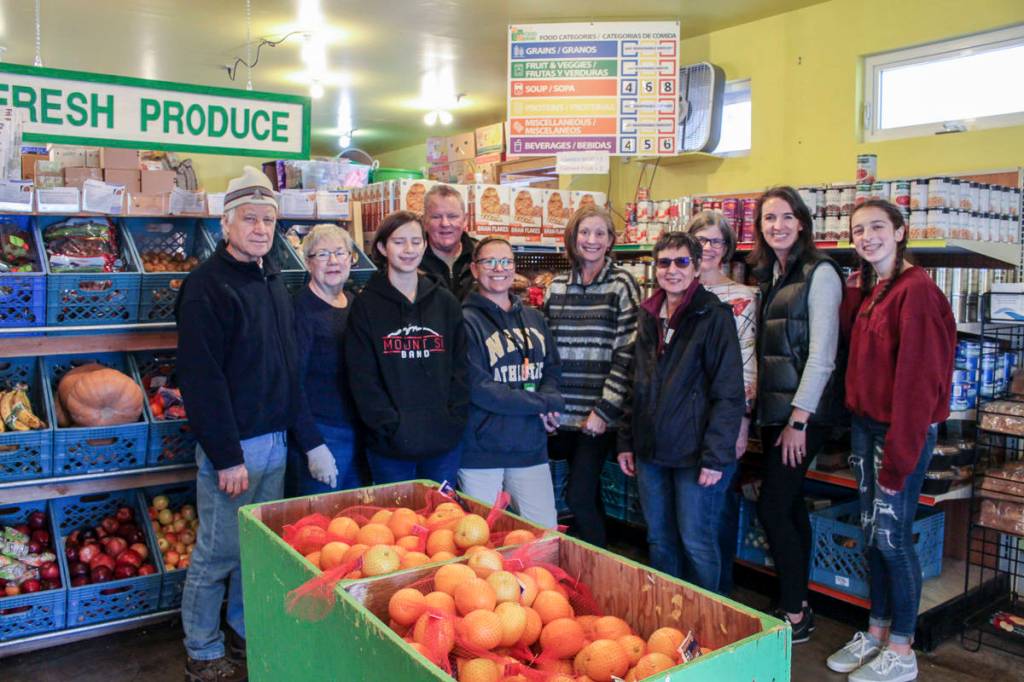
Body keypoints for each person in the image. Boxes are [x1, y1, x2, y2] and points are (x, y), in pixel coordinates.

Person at [175, 166, 300, 681]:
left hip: (276, 440)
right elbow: (201, 381)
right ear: (227, 224)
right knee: (219, 551)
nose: (260, 229)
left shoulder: (271, 279)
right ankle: (202, 649)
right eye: (250, 219)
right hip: (238, 449)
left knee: (257, 548)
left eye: (268, 220)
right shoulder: (206, 287)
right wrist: (226, 454)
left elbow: (284, 365)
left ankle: (244, 633)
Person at [827, 200, 955, 682]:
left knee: (892, 538)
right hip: (867, 427)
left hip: (899, 430)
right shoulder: (875, 288)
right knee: (872, 535)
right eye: (858, 230)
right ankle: (876, 632)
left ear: (901, 232)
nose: (867, 236)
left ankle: (903, 648)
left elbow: (919, 380)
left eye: (877, 227)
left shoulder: (916, 291)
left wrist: (900, 456)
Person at [616, 232, 745, 592]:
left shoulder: (714, 316)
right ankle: (669, 619)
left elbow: (729, 393)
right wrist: (626, 440)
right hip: (650, 453)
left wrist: (715, 457)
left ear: (697, 266)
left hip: (694, 456)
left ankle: (712, 625)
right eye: (664, 262)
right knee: (659, 540)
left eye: (681, 261)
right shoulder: (649, 315)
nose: (672, 270)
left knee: (697, 542)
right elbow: (635, 383)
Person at [749, 186, 844, 643]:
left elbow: (822, 354)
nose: (778, 226)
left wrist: (799, 420)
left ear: (802, 222)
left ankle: (794, 611)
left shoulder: (819, 272)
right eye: (769, 219)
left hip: (802, 415)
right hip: (775, 413)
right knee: (788, 506)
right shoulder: (773, 274)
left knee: (772, 505)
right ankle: (798, 601)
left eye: (786, 217)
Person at [345, 210, 469, 485]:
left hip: (444, 443)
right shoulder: (366, 307)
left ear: (425, 245)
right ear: (381, 248)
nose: (409, 249)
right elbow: (362, 379)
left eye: (415, 241)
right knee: (393, 524)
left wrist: (453, 420)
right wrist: (390, 427)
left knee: (444, 522)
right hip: (389, 447)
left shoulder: (446, 303)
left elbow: (461, 368)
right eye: (399, 242)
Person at [544, 205, 641, 547]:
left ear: (611, 240)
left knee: (579, 495)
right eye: (585, 232)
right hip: (560, 415)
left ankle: (597, 568)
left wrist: (604, 411)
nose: (592, 240)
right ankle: (591, 562)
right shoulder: (556, 287)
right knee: (582, 499)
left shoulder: (622, 284)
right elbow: (547, 353)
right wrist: (546, 405)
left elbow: (628, 353)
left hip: (596, 418)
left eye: (601, 233)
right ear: (573, 237)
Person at [458, 237, 564, 526]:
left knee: (544, 532)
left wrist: (548, 400)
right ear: (474, 269)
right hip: (481, 451)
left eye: (505, 261)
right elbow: (482, 390)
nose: (498, 268)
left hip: (530, 447)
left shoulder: (534, 319)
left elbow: (552, 371)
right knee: (482, 539)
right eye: (489, 261)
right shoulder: (464, 321)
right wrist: (544, 403)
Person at [687, 210, 759, 595]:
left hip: (720, 422)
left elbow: (747, 367)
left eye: (716, 241)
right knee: (688, 519)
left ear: (728, 247)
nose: (708, 248)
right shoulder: (674, 291)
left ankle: (719, 601)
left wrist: (742, 424)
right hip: (681, 423)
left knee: (712, 519)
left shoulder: (742, 298)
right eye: (700, 240)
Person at [286, 223, 367, 496]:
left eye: (340, 253)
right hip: (323, 434)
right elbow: (291, 384)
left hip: (358, 431)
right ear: (308, 263)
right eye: (322, 255)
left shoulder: (356, 305)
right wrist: (312, 446)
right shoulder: (301, 310)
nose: (333, 261)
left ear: (350, 259)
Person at [419, 183, 476, 299]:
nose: (445, 223)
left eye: (452, 216)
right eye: (436, 217)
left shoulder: (480, 255)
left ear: (465, 220)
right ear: (424, 221)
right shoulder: (412, 259)